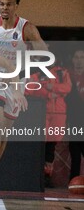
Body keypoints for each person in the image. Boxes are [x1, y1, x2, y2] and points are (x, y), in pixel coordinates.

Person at [0, 0, 48, 197]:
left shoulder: (27, 28)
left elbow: (44, 53)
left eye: (8, 4)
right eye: (1, 4)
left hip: (17, 81)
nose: (4, 8)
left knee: (4, 132)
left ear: (16, 6)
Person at [26, 57, 72, 187]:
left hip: (59, 112)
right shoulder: (36, 71)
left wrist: (51, 86)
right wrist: (48, 92)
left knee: (52, 144)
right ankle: (37, 175)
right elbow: (30, 89)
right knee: (40, 143)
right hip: (42, 112)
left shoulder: (62, 72)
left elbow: (67, 88)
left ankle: (47, 175)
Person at [66, 48, 84, 180]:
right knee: (75, 155)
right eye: (76, 57)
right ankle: (73, 182)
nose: (79, 61)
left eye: (82, 57)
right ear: (72, 60)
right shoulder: (67, 74)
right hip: (72, 119)